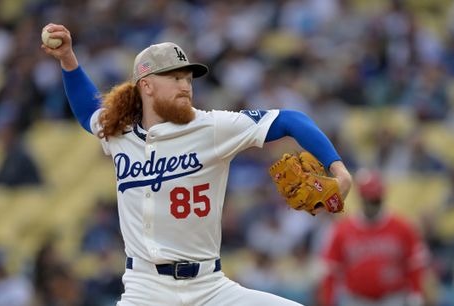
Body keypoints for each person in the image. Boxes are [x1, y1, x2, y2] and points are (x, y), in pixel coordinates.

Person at [41, 23, 352, 306]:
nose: (185, 86)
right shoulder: (119, 134)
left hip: (210, 288)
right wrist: (68, 59)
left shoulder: (212, 127)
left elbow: (290, 119)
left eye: (187, 79)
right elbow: (87, 112)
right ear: (146, 86)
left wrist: (338, 169)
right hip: (145, 290)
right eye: (175, 78)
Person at [318, 169, 429, 306]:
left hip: (393, 298)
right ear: (361, 198)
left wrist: (416, 293)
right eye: (368, 200)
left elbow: (415, 263)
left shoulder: (402, 227)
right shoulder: (342, 229)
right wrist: (328, 301)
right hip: (356, 299)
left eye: (375, 200)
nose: (371, 205)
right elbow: (331, 269)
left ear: (382, 198)